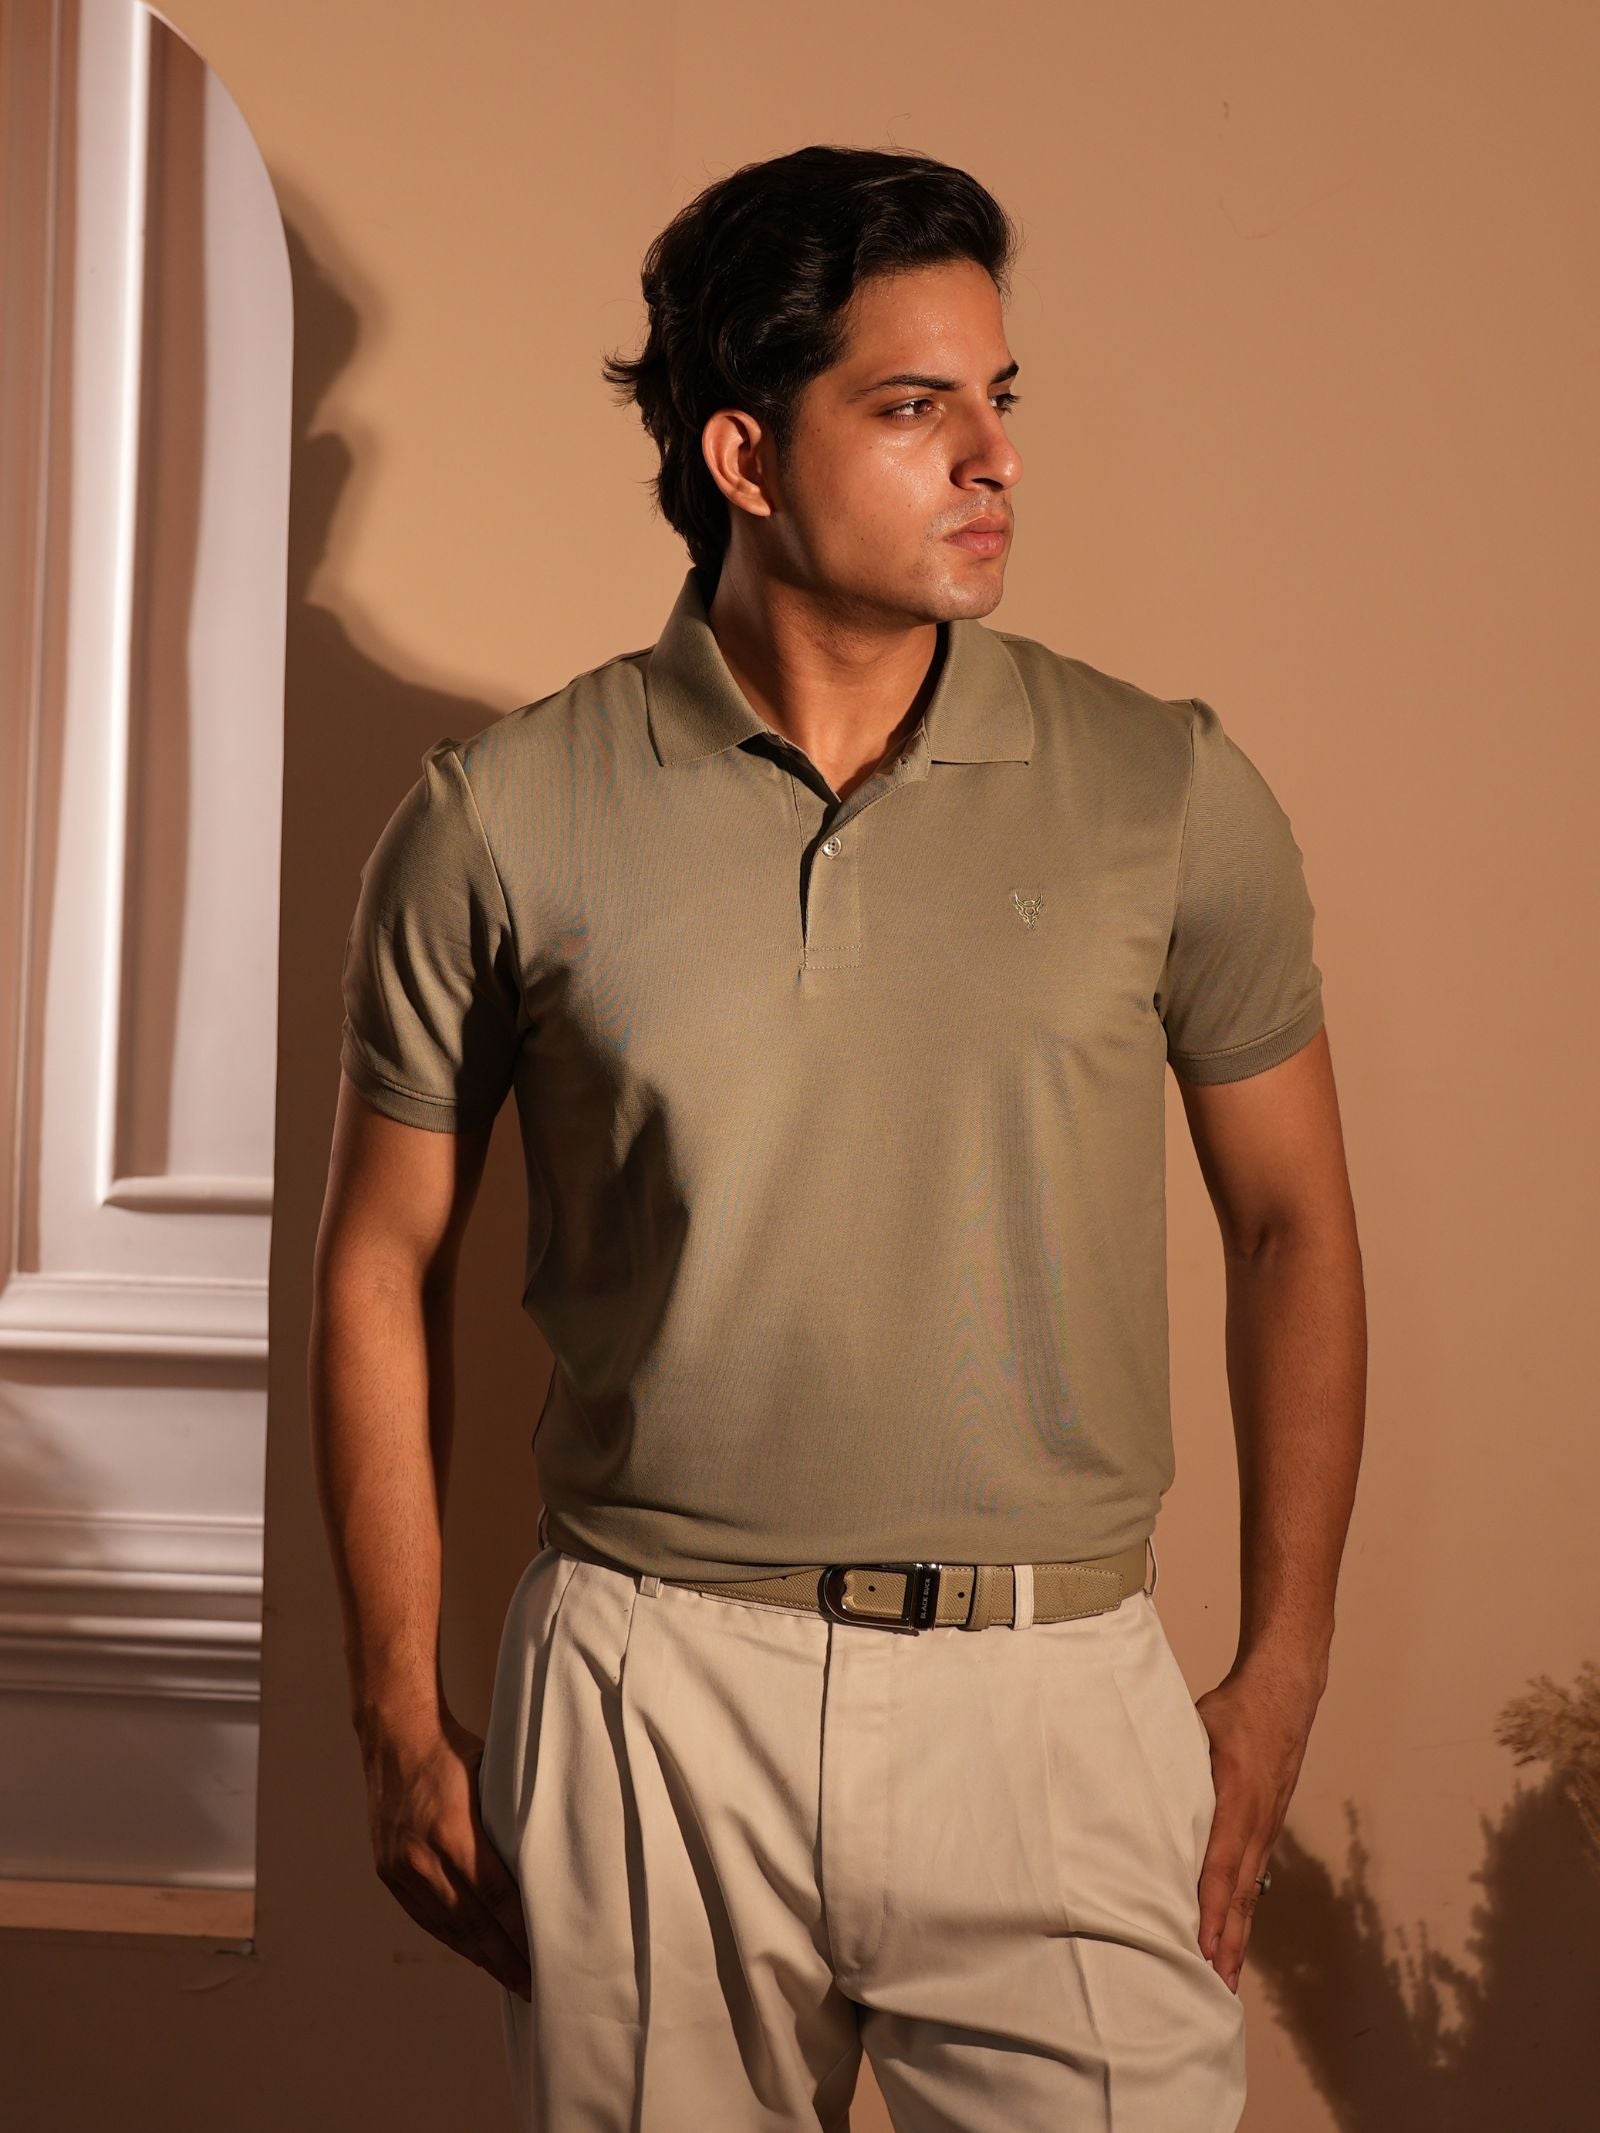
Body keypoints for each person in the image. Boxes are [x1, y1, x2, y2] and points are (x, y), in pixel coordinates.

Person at [309, 142, 1366, 2132]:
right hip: (650, 1695)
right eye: (911, 406)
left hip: (1055, 1696)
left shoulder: (1162, 790)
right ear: (743, 453)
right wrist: (389, 1704)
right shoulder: (498, 816)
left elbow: (1291, 1226)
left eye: (998, 398)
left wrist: (1282, 1661)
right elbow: (380, 1258)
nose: (993, 458)